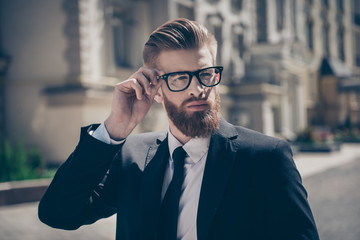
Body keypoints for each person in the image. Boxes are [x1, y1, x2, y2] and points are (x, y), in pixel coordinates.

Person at [38, 18, 319, 240]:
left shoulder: (266, 158)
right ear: (156, 90)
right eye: (181, 78)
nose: (198, 89)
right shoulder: (131, 156)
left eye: (206, 74)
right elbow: (58, 213)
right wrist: (114, 128)